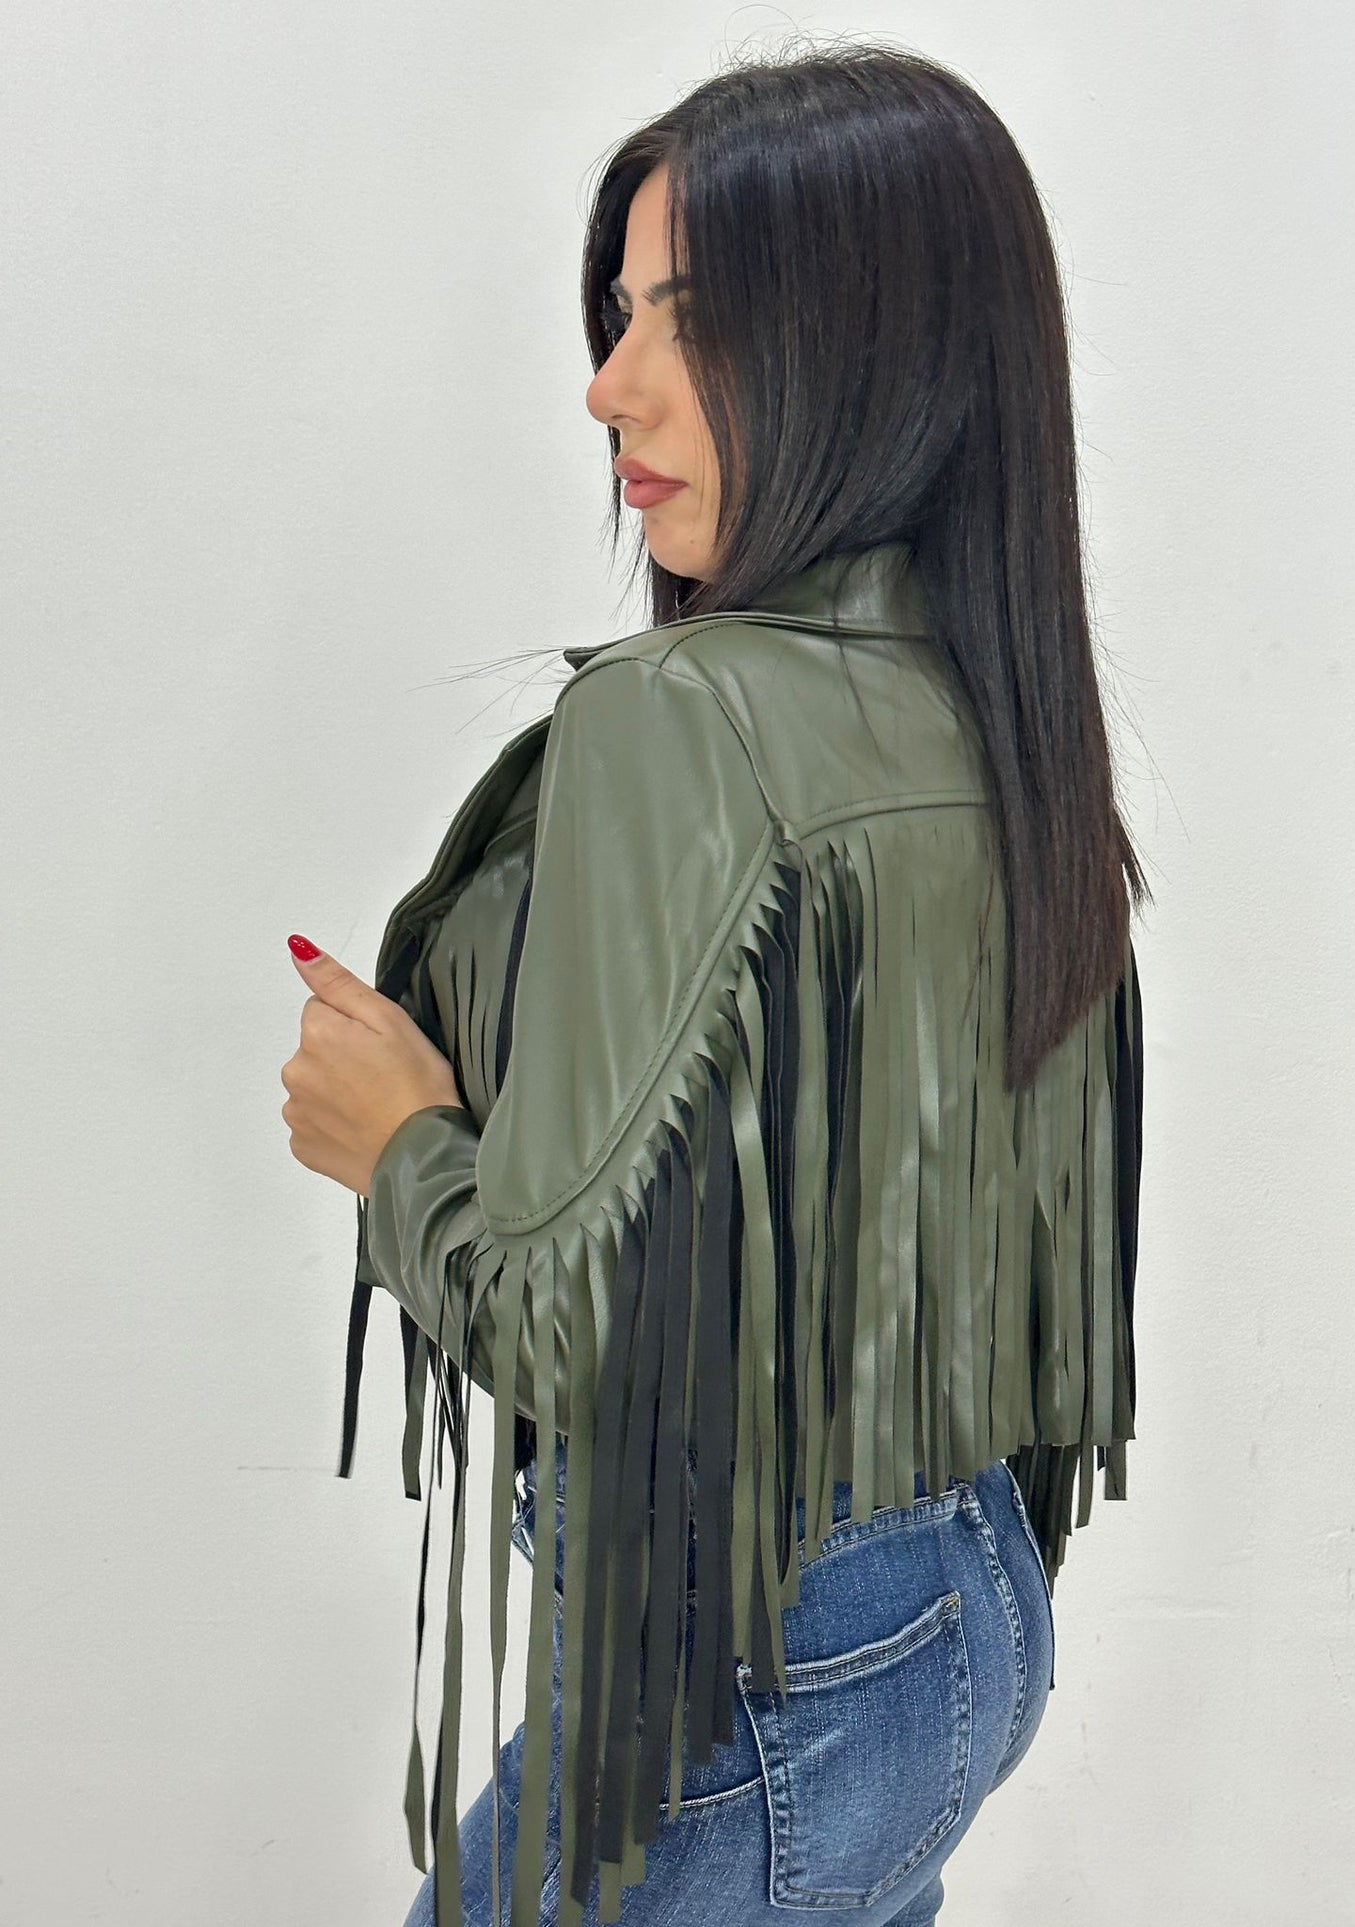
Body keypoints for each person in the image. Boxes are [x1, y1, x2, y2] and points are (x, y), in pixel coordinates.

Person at [281, 38, 1148, 1927]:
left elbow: (563, 1327)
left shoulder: (683, 722)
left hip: (735, 1671)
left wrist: (395, 1136)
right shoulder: (995, 717)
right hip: (964, 1614)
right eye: (619, 314)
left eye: (694, 319)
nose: (608, 385)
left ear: (879, 350)